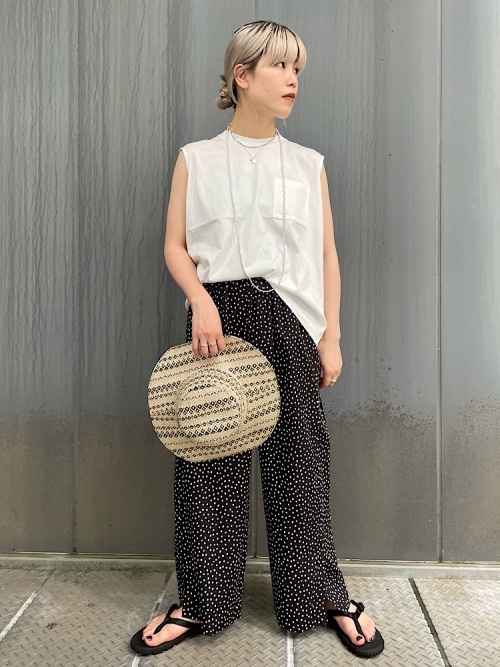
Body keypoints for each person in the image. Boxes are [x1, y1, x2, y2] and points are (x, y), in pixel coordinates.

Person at [130, 20, 384, 659]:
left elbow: (326, 255)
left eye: (297, 67)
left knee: (301, 463)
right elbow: (175, 245)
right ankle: (202, 600)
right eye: (279, 66)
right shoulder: (196, 158)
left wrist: (331, 335)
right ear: (242, 75)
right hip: (218, 319)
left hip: (293, 320)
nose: (293, 78)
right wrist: (201, 302)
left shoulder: (307, 164)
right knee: (208, 459)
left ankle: (318, 595)